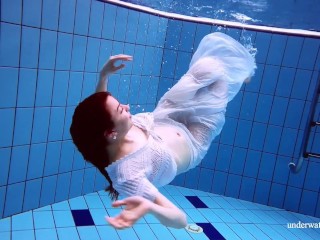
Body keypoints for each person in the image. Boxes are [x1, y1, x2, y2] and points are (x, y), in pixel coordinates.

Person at [70, 32, 256, 229]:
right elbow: (179, 219)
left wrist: (103, 75)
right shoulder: (129, 177)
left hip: (166, 115)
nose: (127, 106)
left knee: (208, 67)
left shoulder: (106, 132)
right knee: (221, 83)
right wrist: (150, 207)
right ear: (111, 134)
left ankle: (235, 71)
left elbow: (101, 111)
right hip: (194, 139)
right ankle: (243, 75)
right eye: (120, 109)